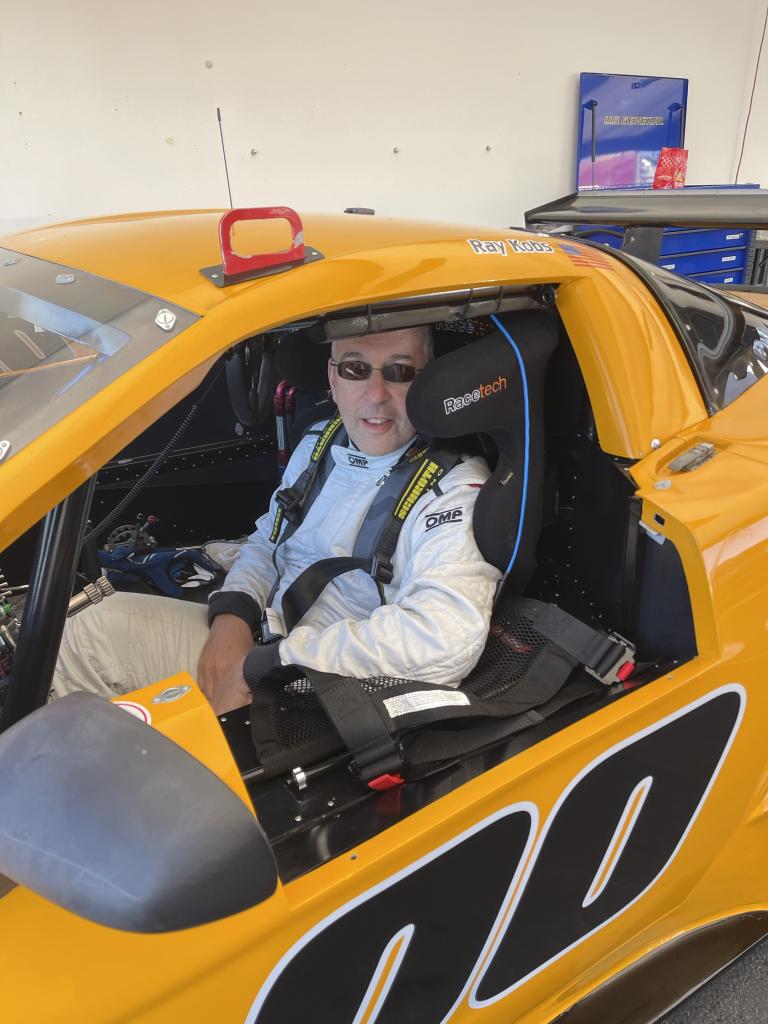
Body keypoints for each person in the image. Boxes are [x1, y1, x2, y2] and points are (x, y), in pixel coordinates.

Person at [53, 326, 500, 714]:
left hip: (322, 689)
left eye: (399, 371)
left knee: (85, 640)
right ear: (332, 377)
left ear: (429, 382)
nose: (376, 394)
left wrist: (271, 664)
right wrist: (232, 617)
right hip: (263, 639)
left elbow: (444, 639)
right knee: (83, 629)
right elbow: (268, 541)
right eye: (355, 369)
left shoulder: (453, 490)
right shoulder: (320, 444)